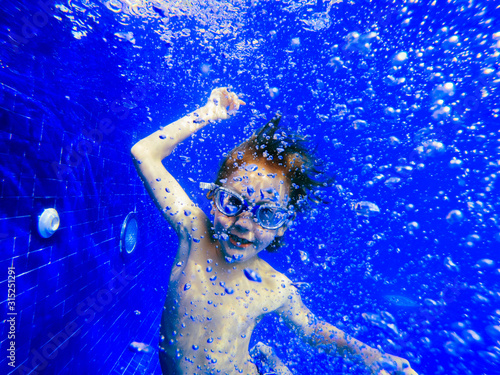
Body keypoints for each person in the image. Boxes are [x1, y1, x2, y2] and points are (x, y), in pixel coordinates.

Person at [131, 87, 418, 375]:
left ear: (282, 226)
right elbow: (144, 153)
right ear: (213, 198)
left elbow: (312, 330)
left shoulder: (274, 285)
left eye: (266, 213)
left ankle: (272, 364)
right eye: (232, 202)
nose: (244, 223)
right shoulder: (195, 233)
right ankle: (271, 361)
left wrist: (373, 358)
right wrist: (205, 114)